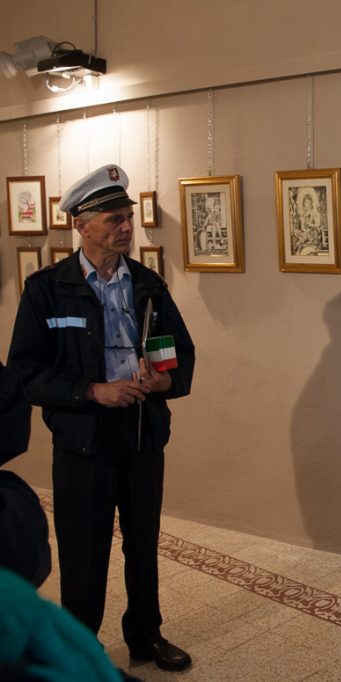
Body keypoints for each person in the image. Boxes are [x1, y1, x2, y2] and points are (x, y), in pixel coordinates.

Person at [7, 164, 196, 673]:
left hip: (141, 432)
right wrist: (92, 390)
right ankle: (81, 648)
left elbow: (180, 353)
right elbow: (25, 373)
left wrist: (162, 381)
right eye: (114, 219)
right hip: (82, 439)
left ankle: (145, 636)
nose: (127, 227)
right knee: (84, 550)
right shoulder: (48, 289)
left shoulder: (148, 284)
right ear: (81, 225)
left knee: (143, 542)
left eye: (128, 217)